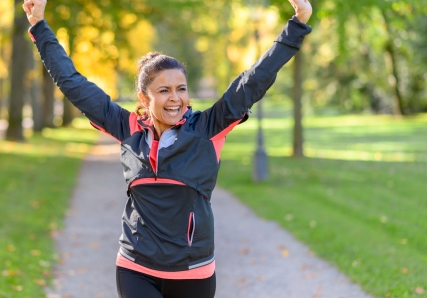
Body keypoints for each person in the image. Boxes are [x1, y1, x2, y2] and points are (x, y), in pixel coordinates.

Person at [23, 0, 312, 297]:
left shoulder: (207, 129)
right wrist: (39, 26)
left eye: (181, 89)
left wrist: (296, 26)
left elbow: (253, 81)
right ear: (144, 97)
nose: (175, 99)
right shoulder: (128, 129)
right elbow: (73, 84)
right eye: (164, 90)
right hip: (136, 267)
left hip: (192, 271)